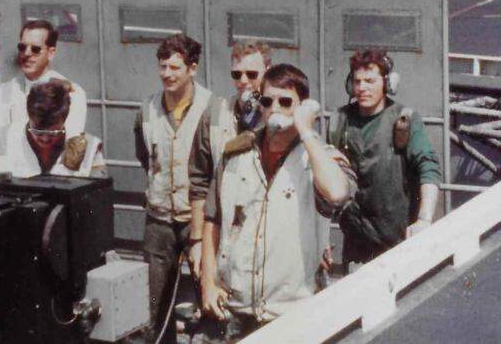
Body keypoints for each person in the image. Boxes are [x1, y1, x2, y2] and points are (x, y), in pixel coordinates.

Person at [199, 64, 356, 340]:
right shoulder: (235, 155)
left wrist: (306, 131)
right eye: (268, 101)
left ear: (302, 107)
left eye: (286, 102)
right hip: (236, 309)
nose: (275, 108)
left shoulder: (318, 159)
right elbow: (212, 219)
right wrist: (207, 283)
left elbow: (336, 193)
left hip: (292, 313)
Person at [134, 34, 228, 344]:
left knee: (210, 294)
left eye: (175, 67)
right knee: (152, 304)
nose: (167, 74)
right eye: (163, 67)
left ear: (192, 68)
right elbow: (144, 156)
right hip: (159, 219)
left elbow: (221, 167)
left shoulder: (214, 108)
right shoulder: (147, 109)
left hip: (199, 221)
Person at [328, 49, 441, 267]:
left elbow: (428, 166)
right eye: (357, 81)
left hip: (397, 242)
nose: (362, 88)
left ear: (387, 83)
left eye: (370, 81)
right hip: (355, 243)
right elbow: (325, 186)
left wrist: (424, 220)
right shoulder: (339, 122)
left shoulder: (403, 119)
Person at [187, 41, 271, 278]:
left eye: (251, 74)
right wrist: (196, 241)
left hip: (265, 231)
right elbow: (198, 180)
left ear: (267, 69)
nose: (243, 80)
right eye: (237, 74)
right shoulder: (215, 112)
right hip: (221, 229)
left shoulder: (278, 113)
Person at [0, 19, 87, 168]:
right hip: (11, 177)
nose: (26, 54)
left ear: (51, 53)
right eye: (22, 47)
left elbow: (71, 146)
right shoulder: (3, 92)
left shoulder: (72, 93)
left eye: (35, 49)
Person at [0, 80, 106, 178]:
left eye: (53, 133)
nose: (45, 139)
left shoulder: (87, 147)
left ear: (64, 119)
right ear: (29, 116)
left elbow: (100, 199)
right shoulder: (3, 138)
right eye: (38, 131)